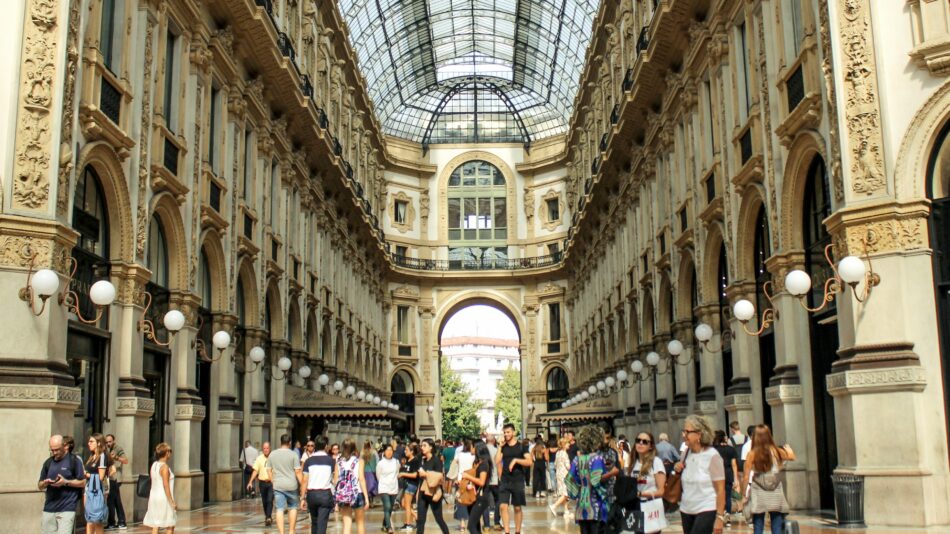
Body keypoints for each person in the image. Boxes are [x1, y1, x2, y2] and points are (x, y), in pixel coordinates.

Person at [675, 415, 726, 534]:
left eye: (687, 432)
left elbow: (720, 489)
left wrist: (719, 517)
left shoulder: (713, 456)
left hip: (706, 508)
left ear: (699, 434)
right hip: (686, 509)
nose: (684, 435)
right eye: (684, 431)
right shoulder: (686, 453)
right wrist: (677, 468)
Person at [741, 425, 794, 534]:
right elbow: (791, 457)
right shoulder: (776, 451)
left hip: (758, 488)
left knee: (758, 520)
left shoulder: (752, 454)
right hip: (775, 488)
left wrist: (743, 494)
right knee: (776, 518)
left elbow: (746, 476)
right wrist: (789, 449)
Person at [39, 434, 86, 534]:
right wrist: (45, 483)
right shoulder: (48, 462)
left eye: (57, 449)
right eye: (52, 450)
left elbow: (83, 482)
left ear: (64, 446)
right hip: (49, 508)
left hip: (67, 508)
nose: (54, 452)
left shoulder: (74, 461)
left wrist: (66, 482)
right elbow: (39, 485)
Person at [565, 425, 608, 534]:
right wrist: (604, 494)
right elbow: (595, 480)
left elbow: (569, 478)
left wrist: (576, 493)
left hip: (581, 506)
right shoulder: (597, 458)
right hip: (595, 505)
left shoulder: (577, 459)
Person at [495, 423, 532, 534]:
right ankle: (507, 531)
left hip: (517, 480)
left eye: (508, 432)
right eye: (504, 432)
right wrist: (499, 447)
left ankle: (517, 531)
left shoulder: (522, 446)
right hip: (505, 480)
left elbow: (529, 461)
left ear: (514, 432)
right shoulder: (503, 447)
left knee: (517, 508)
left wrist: (516, 460)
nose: (506, 434)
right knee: (503, 506)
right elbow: (497, 461)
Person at [630, 432, 666, 534]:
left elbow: (661, 491)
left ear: (651, 446)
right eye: (638, 440)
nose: (640, 443)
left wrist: (641, 494)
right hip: (636, 507)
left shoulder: (656, 462)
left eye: (645, 442)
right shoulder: (633, 463)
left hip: (651, 506)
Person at [334, 438, 371, 534]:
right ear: (354, 448)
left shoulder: (339, 462)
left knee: (346, 524)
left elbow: (336, 481)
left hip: (343, 494)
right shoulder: (359, 461)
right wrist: (366, 498)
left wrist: (336, 499)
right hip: (357, 493)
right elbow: (362, 479)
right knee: (360, 522)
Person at [270, 434, 303, 534]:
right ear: (289, 443)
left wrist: (273, 481)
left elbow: (268, 470)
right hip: (291, 485)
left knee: (279, 508)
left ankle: (281, 532)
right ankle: (291, 531)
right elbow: (297, 471)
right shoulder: (293, 454)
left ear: (281, 442)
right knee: (293, 507)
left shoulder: (273, 454)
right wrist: (303, 484)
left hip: (278, 485)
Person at [301, 436, 334, 534]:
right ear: (326, 446)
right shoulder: (331, 461)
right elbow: (335, 479)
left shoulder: (309, 461)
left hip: (312, 495)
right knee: (322, 523)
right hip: (325, 495)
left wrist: (302, 497)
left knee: (314, 523)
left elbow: (304, 480)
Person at [416, 438, 450, 534]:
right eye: (421, 446)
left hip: (433, 492)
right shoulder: (421, 460)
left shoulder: (436, 460)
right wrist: (418, 492)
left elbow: (440, 477)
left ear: (431, 447)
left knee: (439, 519)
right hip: (423, 493)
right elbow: (420, 479)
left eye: (424, 445)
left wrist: (426, 474)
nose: (422, 448)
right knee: (420, 520)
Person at [143, 442, 176, 534]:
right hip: (163, 498)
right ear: (167, 453)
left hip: (154, 497)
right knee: (170, 524)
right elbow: (166, 485)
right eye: (170, 451)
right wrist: (171, 502)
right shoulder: (165, 467)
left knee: (156, 524)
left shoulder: (154, 465)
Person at [461, 440, 492, 534]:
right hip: (474, 497)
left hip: (481, 498)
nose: (470, 448)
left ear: (477, 448)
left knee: (471, 526)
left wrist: (467, 476)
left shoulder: (484, 465)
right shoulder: (477, 463)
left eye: (472, 446)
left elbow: (482, 482)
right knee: (476, 526)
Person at [84, 433, 112, 534]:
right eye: (89, 441)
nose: (89, 443)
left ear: (99, 443)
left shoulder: (102, 456)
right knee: (89, 519)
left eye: (91, 442)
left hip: (97, 490)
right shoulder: (92, 456)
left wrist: (86, 474)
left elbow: (100, 476)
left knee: (97, 520)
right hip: (88, 488)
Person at [713, 430, 740, 527]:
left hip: (717, 474)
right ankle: (728, 517)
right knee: (728, 496)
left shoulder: (714, 449)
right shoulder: (731, 449)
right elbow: (734, 465)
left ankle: (719, 515)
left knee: (718, 495)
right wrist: (736, 479)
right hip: (728, 474)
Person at [376, 444, 401, 534]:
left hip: (393, 486)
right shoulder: (380, 463)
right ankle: (389, 527)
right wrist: (383, 482)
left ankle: (384, 523)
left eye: (391, 450)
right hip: (384, 487)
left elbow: (397, 473)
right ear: (384, 452)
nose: (389, 452)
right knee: (387, 506)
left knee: (390, 508)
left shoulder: (396, 462)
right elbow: (378, 475)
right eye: (387, 450)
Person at [104, 434, 128, 530]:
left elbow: (126, 460)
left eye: (110, 441)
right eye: (106, 442)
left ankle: (119, 521)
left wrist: (116, 458)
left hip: (116, 478)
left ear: (114, 441)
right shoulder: (105, 450)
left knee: (115, 500)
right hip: (109, 478)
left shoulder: (118, 449)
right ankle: (115, 522)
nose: (108, 443)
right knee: (112, 500)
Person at [247, 441, 274, 525]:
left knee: (270, 500)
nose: (266, 450)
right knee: (264, 501)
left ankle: (268, 517)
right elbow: (255, 471)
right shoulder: (259, 458)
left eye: (267, 448)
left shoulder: (273, 458)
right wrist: (250, 482)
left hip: (271, 483)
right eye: (264, 448)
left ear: (270, 448)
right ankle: (267, 516)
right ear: (263, 449)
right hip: (262, 483)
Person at [397, 442, 421, 530]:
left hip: (412, 484)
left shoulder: (415, 461)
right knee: (404, 504)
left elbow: (415, 475)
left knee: (407, 505)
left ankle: (408, 524)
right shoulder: (408, 460)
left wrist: (403, 474)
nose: (405, 451)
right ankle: (417, 518)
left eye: (407, 450)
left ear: (412, 451)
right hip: (407, 484)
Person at [454, 440, 476, 530]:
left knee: (461, 502)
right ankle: (472, 522)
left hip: (460, 479)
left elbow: (454, 464)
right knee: (472, 499)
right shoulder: (474, 456)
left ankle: (462, 524)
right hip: (471, 479)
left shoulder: (459, 455)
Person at [548, 437, 572, 517]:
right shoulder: (565, 454)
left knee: (563, 492)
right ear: (564, 445)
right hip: (565, 474)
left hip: (558, 474)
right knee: (566, 493)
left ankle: (566, 511)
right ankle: (554, 506)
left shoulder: (558, 453)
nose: (569, 444)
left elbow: (555, 464)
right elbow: (568, 466)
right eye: (568, 443)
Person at [484, 435, 502, 531]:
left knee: (485, 503)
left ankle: (486, 525)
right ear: (494, 440)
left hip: (484, 480)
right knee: (498, 501)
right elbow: (499, 465)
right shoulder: (497, 451)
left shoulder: (482, 451)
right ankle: (496, 522)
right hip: (495, 479)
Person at [362, 441, 378, 508]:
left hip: (364, 472)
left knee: (366, 486)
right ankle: (371, 501)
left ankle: (367, 500)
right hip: (371, 472)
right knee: (372, 486)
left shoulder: (362, 453)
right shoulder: (373, 453)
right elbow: (376, 462)